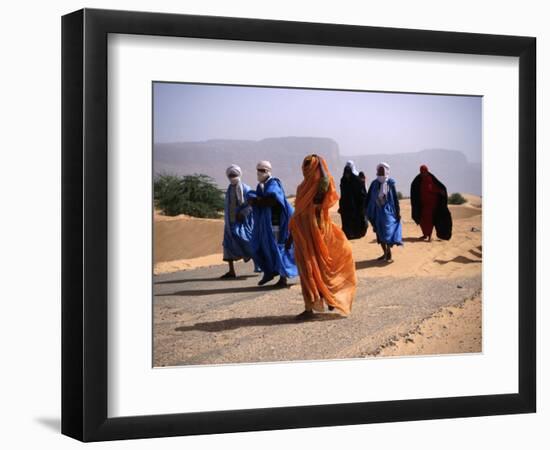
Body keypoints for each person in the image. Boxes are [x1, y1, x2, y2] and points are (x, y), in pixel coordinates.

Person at [288, 155, 357, 320]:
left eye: (309, 165)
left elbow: (325, 185)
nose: (305, 168)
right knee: (307, 270)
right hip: (302, 234)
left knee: (320, 268)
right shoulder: (302, 187)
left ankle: (329, 297)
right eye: (304, 165)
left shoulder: (321, 185)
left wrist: (321, 166)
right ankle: (310, 307)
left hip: (317, 233)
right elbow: (298, 212)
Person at [247, 161, 298, 287]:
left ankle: (283, 278)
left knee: (278, 249)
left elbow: (272, 200)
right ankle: (269, 272)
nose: (260, 172)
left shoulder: (273, 184)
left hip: (277, 224)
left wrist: (256, 201)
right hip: (266, 225)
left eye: (263, 170)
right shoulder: (262, 185)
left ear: (269, 171)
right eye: (258, 170)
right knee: (261, 248)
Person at [220, 165, 257, 279]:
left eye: (234, 175)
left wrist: (244, 213)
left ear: (239, 175)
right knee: (227, 245)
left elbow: (252, 203)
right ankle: (231, 271)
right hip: (230, 223)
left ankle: (261, 265)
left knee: (249, 243)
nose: (233, 177)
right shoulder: (229, 189)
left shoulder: (246, 188)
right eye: (231, 175)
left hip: (243, 223)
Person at [366, 162, 403, 262]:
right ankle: (385, 253)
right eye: (379, 171)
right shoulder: (374, 183)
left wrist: (398, 212)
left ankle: (388, 252)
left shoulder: (390, 183)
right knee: (379, 233)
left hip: (388, 213)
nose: (380, 173)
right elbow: (369, 196)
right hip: (376, 212)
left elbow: (395, 198)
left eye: (382, 171)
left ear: (386, 171)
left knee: (387, 233)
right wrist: (367, 209)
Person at [410, 165, 453, 241]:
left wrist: (440, 191)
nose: (423, 173)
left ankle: (429, 236)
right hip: (423, 204)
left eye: (424, 172)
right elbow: (415, 189)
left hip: (431, 205)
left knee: (429, 220)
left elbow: (434, 188)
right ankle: (425, 234)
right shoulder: (418, 179)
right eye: (422, 172)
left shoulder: (430, 178)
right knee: (422, 220)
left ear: (427, 171)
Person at [338, 160, 368, 240]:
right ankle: (348, 234)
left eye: (348, 172)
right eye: (346, 172)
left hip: (355, 203)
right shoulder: (343, 180)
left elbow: (361, 192)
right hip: (346, 203)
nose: (347, 174)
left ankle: (357, 233)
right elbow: (342, 192)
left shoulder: (356, 179)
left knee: (357, 218)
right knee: (347, 219)